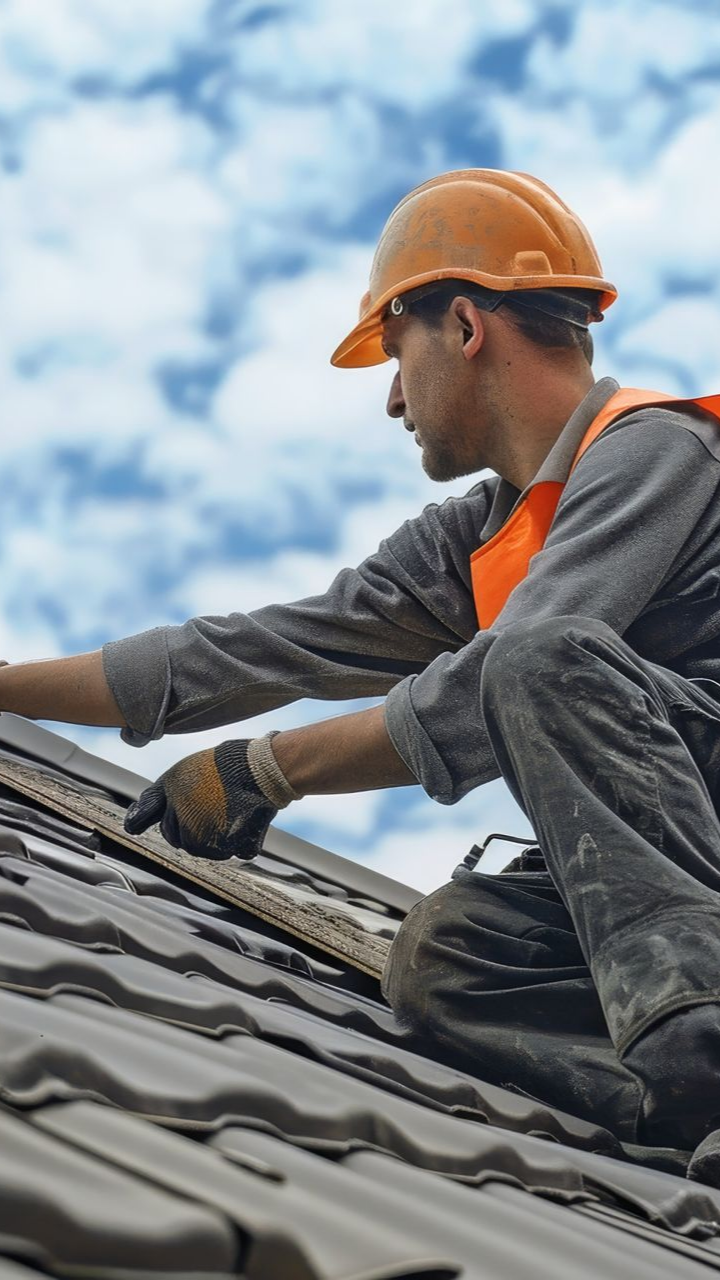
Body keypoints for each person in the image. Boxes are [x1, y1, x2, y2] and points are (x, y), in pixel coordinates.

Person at [3, 167, 720, 1153]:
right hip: (682, 885)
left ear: (464, 326)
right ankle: (676, 1100)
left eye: (395, 351)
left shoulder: (658, 450)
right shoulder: (471, 542)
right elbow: (239, 654)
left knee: (534, 659)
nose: (391, 398)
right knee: (446, 956)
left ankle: (701, 1035)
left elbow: (505, 677)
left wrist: (269, 769)